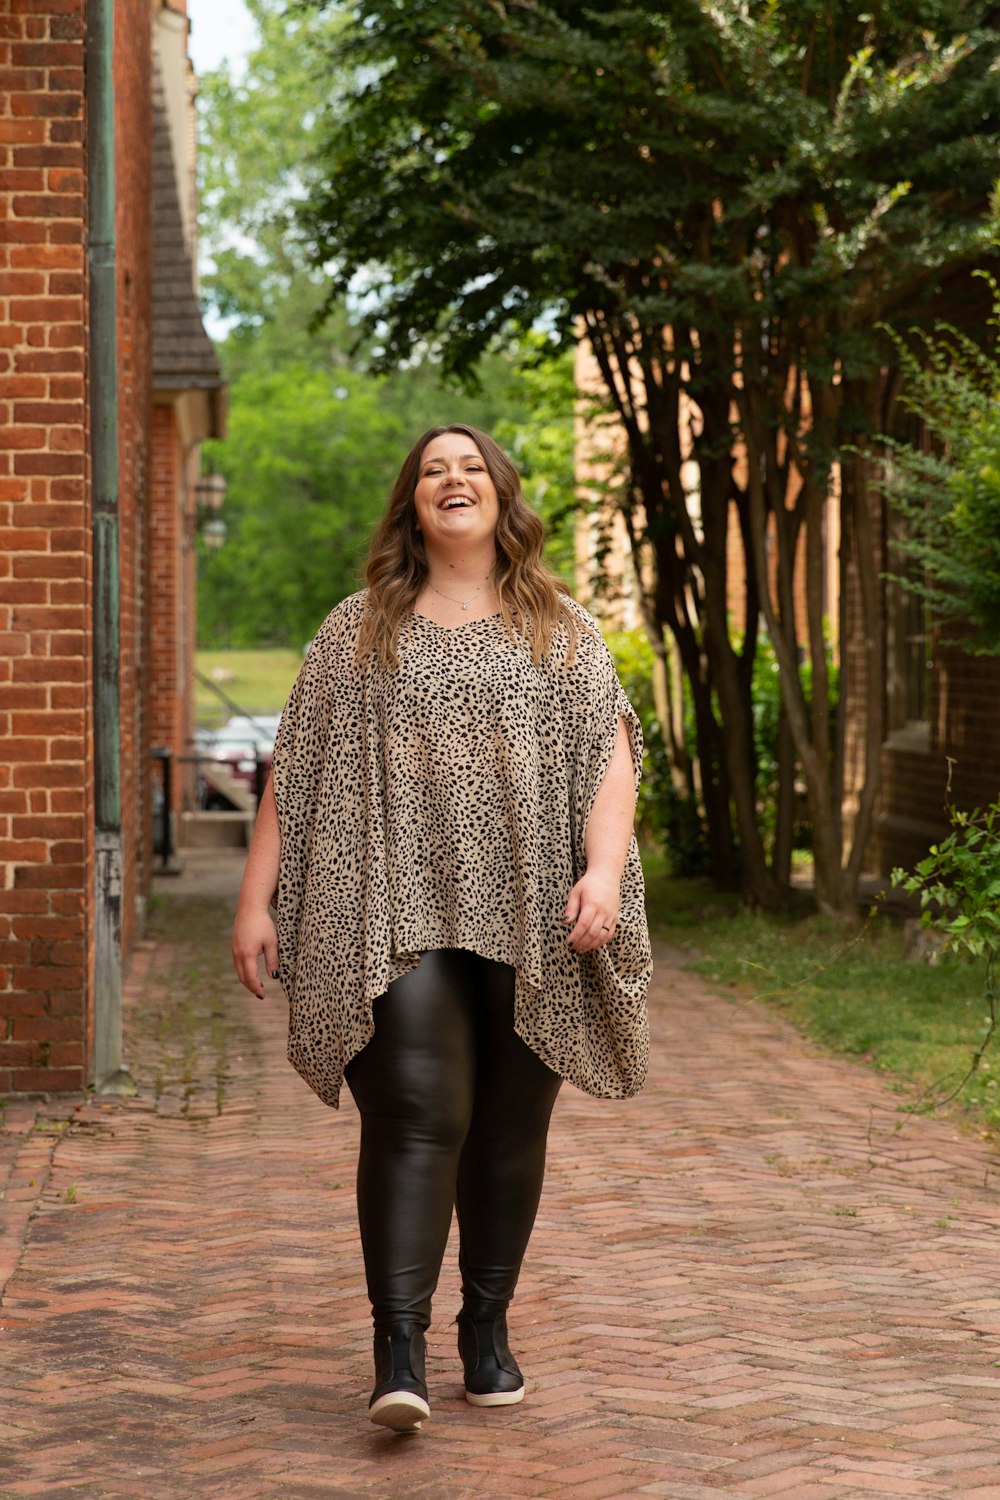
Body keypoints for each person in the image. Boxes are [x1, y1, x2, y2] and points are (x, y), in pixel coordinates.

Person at [232, 423, 652, 1433]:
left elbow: (609, 755)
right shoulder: (355, 629)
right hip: (385, 901)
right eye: (432, 471)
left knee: (508, 1130)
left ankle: (487, 1328)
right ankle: (399, 1349)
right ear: (411, 503)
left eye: (471, 469)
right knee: (418, 1113)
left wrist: (601, 872)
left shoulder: (561, 627)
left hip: (534, 902)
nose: (452, 482)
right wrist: (255, 899)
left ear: (503, 498)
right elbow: (296, 766)